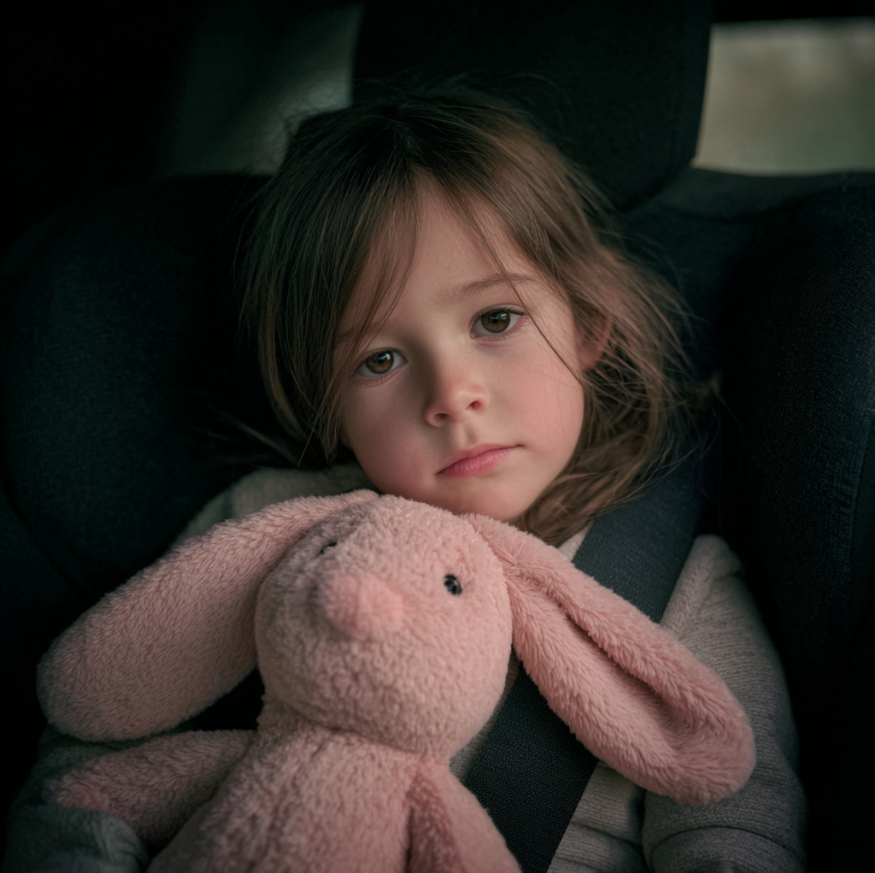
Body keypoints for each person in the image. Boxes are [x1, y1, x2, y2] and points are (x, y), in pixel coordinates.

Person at [3, 88, 806, 873]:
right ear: (330, 402)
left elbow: (734, 830)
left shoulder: (676, 586)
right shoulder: (268, 525)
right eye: (379, 358)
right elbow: (96, 750)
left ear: (586, 323)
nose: (450, 394)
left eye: (494, 319)